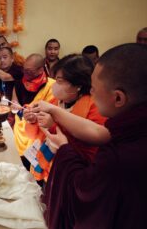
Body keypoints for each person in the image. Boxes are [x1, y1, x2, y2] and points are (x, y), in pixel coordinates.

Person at [29, 43, 147, 228]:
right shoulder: (132, 129)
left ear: (118, 98)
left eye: (93, 87)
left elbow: (85, 190)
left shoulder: (119, 156)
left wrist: (65, 149)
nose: (90, 91)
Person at [25, 54, 106, 185]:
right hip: (48, 169)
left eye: (59, 81)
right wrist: (32, 120)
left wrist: (53, 124)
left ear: (78, 85)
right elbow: (32, 136)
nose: (54, 85)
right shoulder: (56, 101)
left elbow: (91, 153)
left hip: (70, 176)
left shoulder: (95, 108)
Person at [12, 54, 55, 170]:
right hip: (20, 130)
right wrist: (17, 109)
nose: (25, 74)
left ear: (40, 70)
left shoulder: (51, 86)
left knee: (33, 167)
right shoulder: (19, 83)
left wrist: (33, 115)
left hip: (37, 134)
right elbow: (14, 105)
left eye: (29, 71)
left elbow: (51, 114)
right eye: (24, 70)